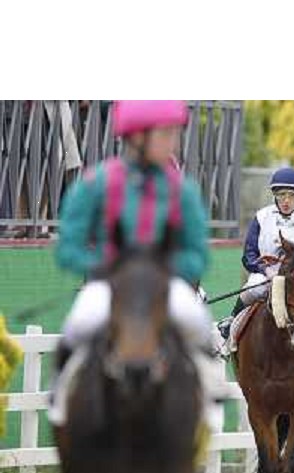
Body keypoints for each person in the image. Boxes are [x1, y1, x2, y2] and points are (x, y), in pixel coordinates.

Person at [53, 100, 224, 404]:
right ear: (137, 136)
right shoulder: (96, 183)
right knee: (78, 324)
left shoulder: (182, 190)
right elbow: (68, 248)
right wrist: (104, 264)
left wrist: (164, 267)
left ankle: (208, 401)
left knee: (198, 324)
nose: (174, 142)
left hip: (164, 285)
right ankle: (63, 397)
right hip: (109, 284)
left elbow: (198, 254)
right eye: (167, 133)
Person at [217, 166, 294, 355]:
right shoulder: (261, 217)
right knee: (254, 288)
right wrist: (264, 270)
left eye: (291, 195)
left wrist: (288, 265)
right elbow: (248, 255)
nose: (286, 200)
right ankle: (231, 326)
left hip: (293, 275)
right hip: (265, 273)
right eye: (281, 195)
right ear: (274, 194)